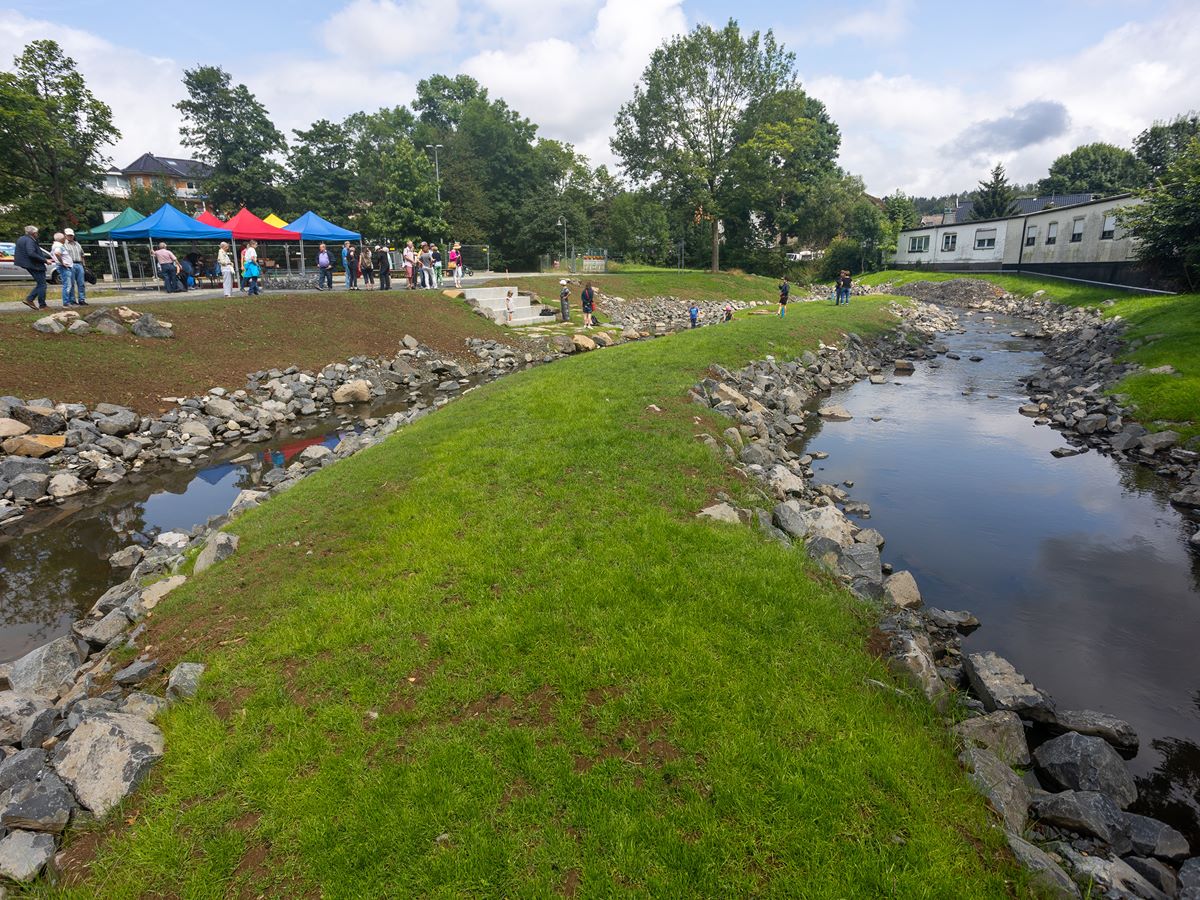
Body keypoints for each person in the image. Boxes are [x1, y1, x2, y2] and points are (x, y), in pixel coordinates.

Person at [15, 225, 51, 309]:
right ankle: (41, 304)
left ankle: (30, 299)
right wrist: (45, 260)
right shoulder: (30, 240)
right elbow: (31, 253)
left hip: (28, 264)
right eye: (37, 233)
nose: (37, 234)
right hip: (34, 265)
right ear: (34, 233)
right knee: (42, 284)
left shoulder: (21, 239)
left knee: (40, 284)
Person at [61, 229, 88, 305]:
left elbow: (82, 255)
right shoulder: (63, 245)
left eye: (71, 235)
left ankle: (81, 299)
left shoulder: (77, 244)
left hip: (79, 264)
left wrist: (84, 265)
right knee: (71, 283)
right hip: (70, 265)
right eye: (69, 235)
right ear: (65, 235)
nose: (70, 236)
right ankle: (72, 300)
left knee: (81, 283)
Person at [50, 232, 74, 306]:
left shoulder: (55, 245)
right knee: (67, 285)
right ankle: (66, 302)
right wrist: (62, 262)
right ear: (62, 239)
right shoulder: (59, 246)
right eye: (64, 238)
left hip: (63, 266)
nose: (65, 239)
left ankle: (67, 301)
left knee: (67, 285)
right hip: (64, 267)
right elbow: (57, 253)